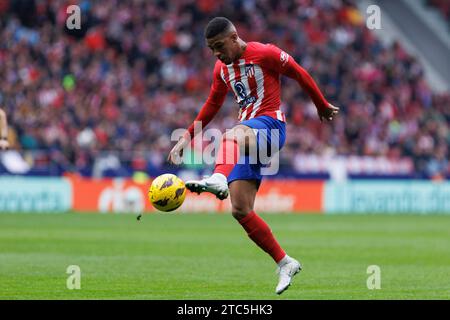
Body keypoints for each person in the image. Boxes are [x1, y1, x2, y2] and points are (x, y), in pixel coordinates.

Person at [168, 17, 339, 294]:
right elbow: (211, 105)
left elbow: (299, 73)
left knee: (231, 135)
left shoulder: (266, 53)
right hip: (248, 137)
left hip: (271, 126)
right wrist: (186, 138)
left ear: (235, 37)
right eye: (211, 49)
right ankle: (285, 262)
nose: (216, 53)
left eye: (219, 46)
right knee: (240, 209)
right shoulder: (221, 69)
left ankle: (218, 178)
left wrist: (321, 105)